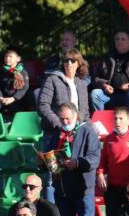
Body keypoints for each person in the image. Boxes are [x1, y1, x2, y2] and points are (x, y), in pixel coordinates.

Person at [42, 102, 100, 216]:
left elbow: (94, 158)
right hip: (62, 190)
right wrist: (44, 160)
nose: (65, 122)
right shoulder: (57, 133)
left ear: (75, 116)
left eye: (67, 119)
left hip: (83, 190)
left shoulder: (88, 131)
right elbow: (49, 154)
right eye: (62, 119)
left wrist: (78, 163)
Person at [38, 49, 90, 200]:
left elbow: (84, 112)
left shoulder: (81, 84)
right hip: (54, 135)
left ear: (79, 63)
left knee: (72, 176)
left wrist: (86, 128)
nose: (68, 63)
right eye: (66, 60)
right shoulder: (52, 79)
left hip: (75, 137)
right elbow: (42, 105)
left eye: (72, 61)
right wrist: (59, 124)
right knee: (51, 179)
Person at [90, 30, 129, 112]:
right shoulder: (106, 57)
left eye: (123, 39)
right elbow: (95, 77)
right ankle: (99, 123)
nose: (119, 41)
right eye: (117, 39)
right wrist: (104, 85)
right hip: (112, 94)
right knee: (95, 94)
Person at [0, 48, 30, 115]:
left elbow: (24, 89)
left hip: (16, 99)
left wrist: (13, 98)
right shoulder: (0, 72)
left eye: (10, 56)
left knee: (18, 108)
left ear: (18, 59)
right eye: (6, 56)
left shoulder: (22, 72)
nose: (7, 58)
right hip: (3, 98)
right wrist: (0, 98)